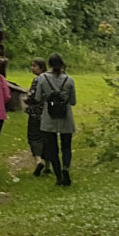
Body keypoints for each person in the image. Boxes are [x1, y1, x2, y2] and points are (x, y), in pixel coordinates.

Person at [33, 53, 77, 185]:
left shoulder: (42, 78)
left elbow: (38, 98)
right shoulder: (69, 80)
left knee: (52, 148)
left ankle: (58, 176)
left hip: (49, 117)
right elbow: (73, 101)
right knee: (66, 147)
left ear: (49, 65)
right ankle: (66, 168)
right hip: (66, 116)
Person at [25, 58, 52, 176]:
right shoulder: (50, 78)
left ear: (41, 67)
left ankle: (38, 160)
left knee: (34, 136)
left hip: (36, 113)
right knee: (48, 138)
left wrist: (26, 99)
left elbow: (34, 96)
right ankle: (48, 165)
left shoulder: (38, 79)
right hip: (49, 113)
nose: (32, 68)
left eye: (34, 66)